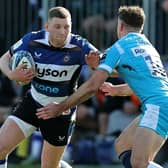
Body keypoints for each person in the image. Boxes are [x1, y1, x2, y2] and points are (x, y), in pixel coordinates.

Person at [36, 6, 168, 168]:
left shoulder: (119, 47)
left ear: (120, 26)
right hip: (160, 104)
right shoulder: (149, 48)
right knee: (122, 145)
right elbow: (143, 84)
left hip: (157, 107)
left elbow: (93, 85)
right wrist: (115, 90)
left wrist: (62, 106)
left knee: (139, 163)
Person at [0, 6, 100, 168]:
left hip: (61, 110)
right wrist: (12, 74)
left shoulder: (80, 46)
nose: (62, 32)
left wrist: (98, 66)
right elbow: (3, 59)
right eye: (57, 27)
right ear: (47, 26)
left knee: (49, 166)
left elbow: (109, 68)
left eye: (67, 27)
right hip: (33, 102)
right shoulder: (32, 40)